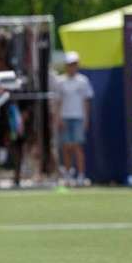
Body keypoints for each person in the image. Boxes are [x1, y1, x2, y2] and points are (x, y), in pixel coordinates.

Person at [53, 51, 94, 186]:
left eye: (74, 64)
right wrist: (58, 118)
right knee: (66, 148)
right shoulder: (60, 81)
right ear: (66, 66)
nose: (72, 67)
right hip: (65, 117)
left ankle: (81, 175)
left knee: (77, 147)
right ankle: (68, 175)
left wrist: (86, 119)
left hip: (78, 118)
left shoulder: (83, 81)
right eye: (70, 64)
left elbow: (86, 102)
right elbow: (58, 102)